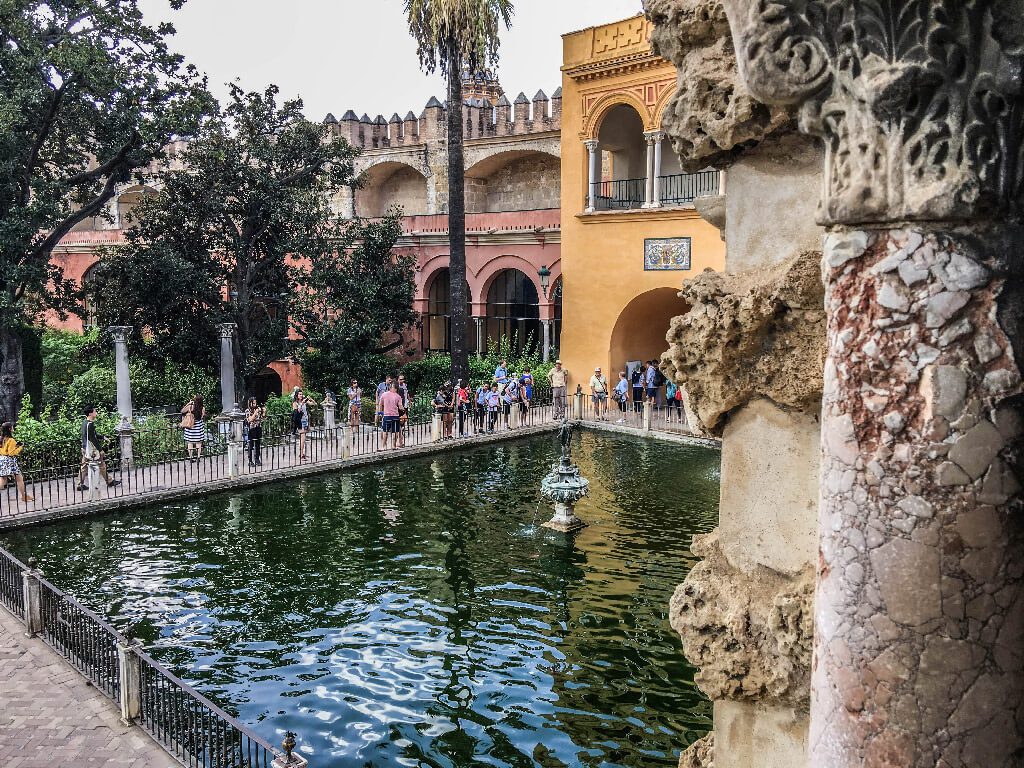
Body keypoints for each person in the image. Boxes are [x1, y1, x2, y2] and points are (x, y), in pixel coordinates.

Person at [77, 406, 120, 489]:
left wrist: (103, 437)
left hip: (85, 448)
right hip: (91, 449)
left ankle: (80, 484)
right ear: (90, 413)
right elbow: (93, 438)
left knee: (84, 466)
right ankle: (109, 481)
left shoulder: (85, 423)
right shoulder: (90, 424)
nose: (96, 412)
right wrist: (100, 450)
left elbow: (93, 435)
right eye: (94, 411)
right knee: (101, 464)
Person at [0, 422, 33, 502]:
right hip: (10, 461)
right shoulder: (11, 440)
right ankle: (23, 496)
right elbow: (12, 453)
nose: (13, 429)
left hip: (2, 459)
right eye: (12, 427)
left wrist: (16, 446)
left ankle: (24, 496)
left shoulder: (1, 438)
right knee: (19, 479)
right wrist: (20, 447)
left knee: (3, 479)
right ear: (9, 429)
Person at [181, 394, 207, 462]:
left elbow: (182, 411)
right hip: (199, 426)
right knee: (199, 443)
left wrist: (188, 404)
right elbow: (202, 416)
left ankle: (191, 458)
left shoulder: (191, 406)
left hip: (190, 426)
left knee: (190, 442)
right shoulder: (202, 408)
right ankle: (198, 457)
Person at [378, 383, 403, 450]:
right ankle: (394, 446)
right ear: (396, 388)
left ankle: (383, 446)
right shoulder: (398, 396)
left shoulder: (384, 394)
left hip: (387, 416)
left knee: (385, 431)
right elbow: (400, 407)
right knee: (395, 432)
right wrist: (403, 409)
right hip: (395, 416)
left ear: (391, 387)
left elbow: (380, 404)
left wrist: (380, 412)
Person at [294, 391, 319, 460]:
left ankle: (302, 453)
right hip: (300, 422)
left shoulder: (304, 401)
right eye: (299, 394)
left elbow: (315, 404)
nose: (301, 395)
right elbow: (297, 411)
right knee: (302, 438)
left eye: (302, 394)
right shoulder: (295, 403)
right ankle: (301, 455)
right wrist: (302, 403)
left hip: (305, 421)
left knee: (303, 439)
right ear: (297, 395)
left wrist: (310, 399)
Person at [246, 398, 265, 466]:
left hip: (258, 428)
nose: (255, 404)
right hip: (251, 429)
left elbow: (262, 419)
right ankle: (250, 460)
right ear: (250, 403)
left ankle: (257, 459)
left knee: (258, 445)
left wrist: (264, 412)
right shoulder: (247, 410)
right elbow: (250, 419)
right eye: (253, 403)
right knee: (250, 445)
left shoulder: (257, 409)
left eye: (255, 403)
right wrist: (255, 412)